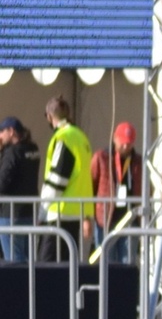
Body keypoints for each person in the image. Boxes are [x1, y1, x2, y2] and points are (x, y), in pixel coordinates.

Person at [39, 95, 92, 262]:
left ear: (49, 116)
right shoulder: (81, 137)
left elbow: (58, 178)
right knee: (67, 272)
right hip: (77, 211)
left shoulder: (64, 138)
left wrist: (42, 211)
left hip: (59, 213)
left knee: (45, 269)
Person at [91, 121, 142, 263]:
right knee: (106, 262)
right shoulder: (101, 157)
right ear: (114, 139)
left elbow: (144, 188)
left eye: (130, 143)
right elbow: (92, 185)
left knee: (127, 261)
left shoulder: (138, 161)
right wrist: (92, 213)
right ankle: (107, 286)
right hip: (106, 219)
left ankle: (124, 286)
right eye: (123, 142)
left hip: (129, 219)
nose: (126, 146)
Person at [0, 117, 37, 263]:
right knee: (28, 259)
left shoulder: (12, 153)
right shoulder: (33, 149)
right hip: (28, 212)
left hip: (10, 214)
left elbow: (2, 183)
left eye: (2, 132)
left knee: (14, 261)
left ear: (11, 131)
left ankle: (18, 287)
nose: (0, 136)